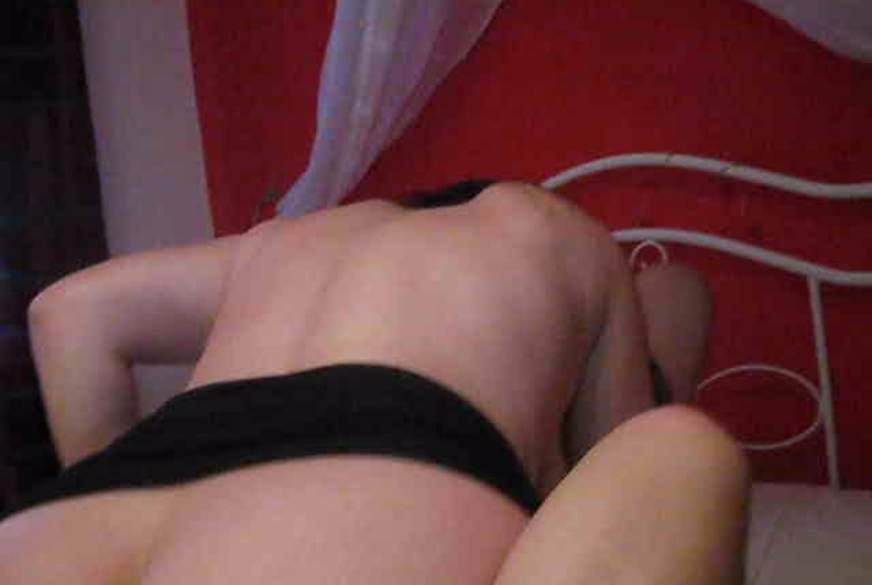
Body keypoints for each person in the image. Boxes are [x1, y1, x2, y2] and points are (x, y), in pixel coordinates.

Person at [0, 181, 748, 584]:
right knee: (680, 450)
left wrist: (121, 478)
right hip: (373, 479)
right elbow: (612, 464)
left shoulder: (291, 239)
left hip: (68, 524)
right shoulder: (553, 224)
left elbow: (66, 312)